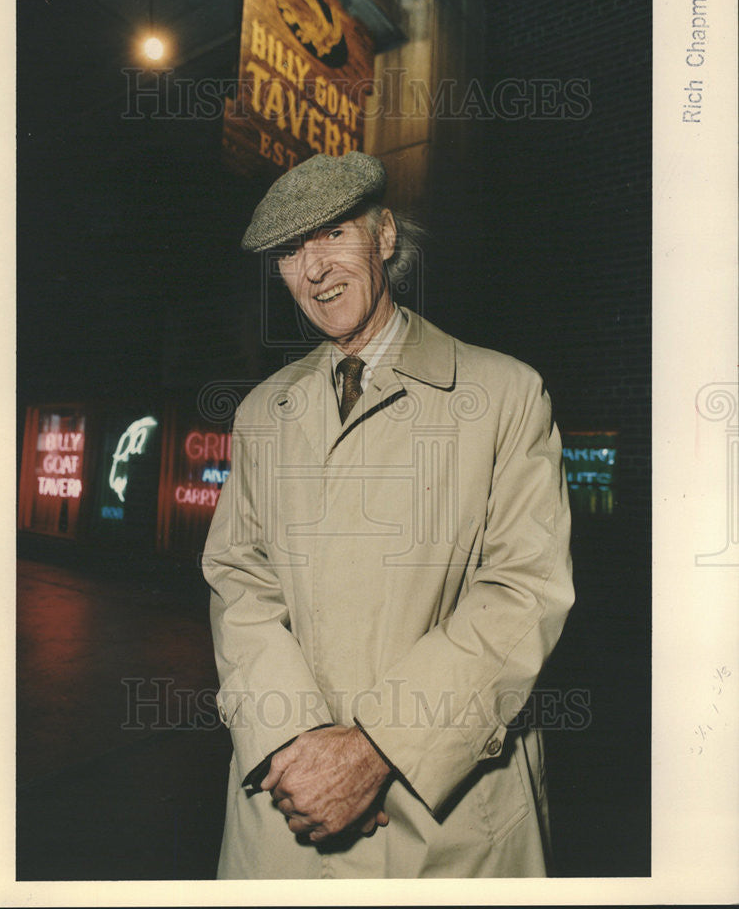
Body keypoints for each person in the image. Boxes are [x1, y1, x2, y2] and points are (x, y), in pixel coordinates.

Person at [202, 151, 574, 879]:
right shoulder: (261, 413)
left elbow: (523, 593)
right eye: (288, 251)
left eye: (333, 234)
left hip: (448, 824)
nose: (313, 269)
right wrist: (290, 739)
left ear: (385, 236)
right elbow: (239, 581)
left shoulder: (504, 393)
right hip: (288, 810)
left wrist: (376, 750)